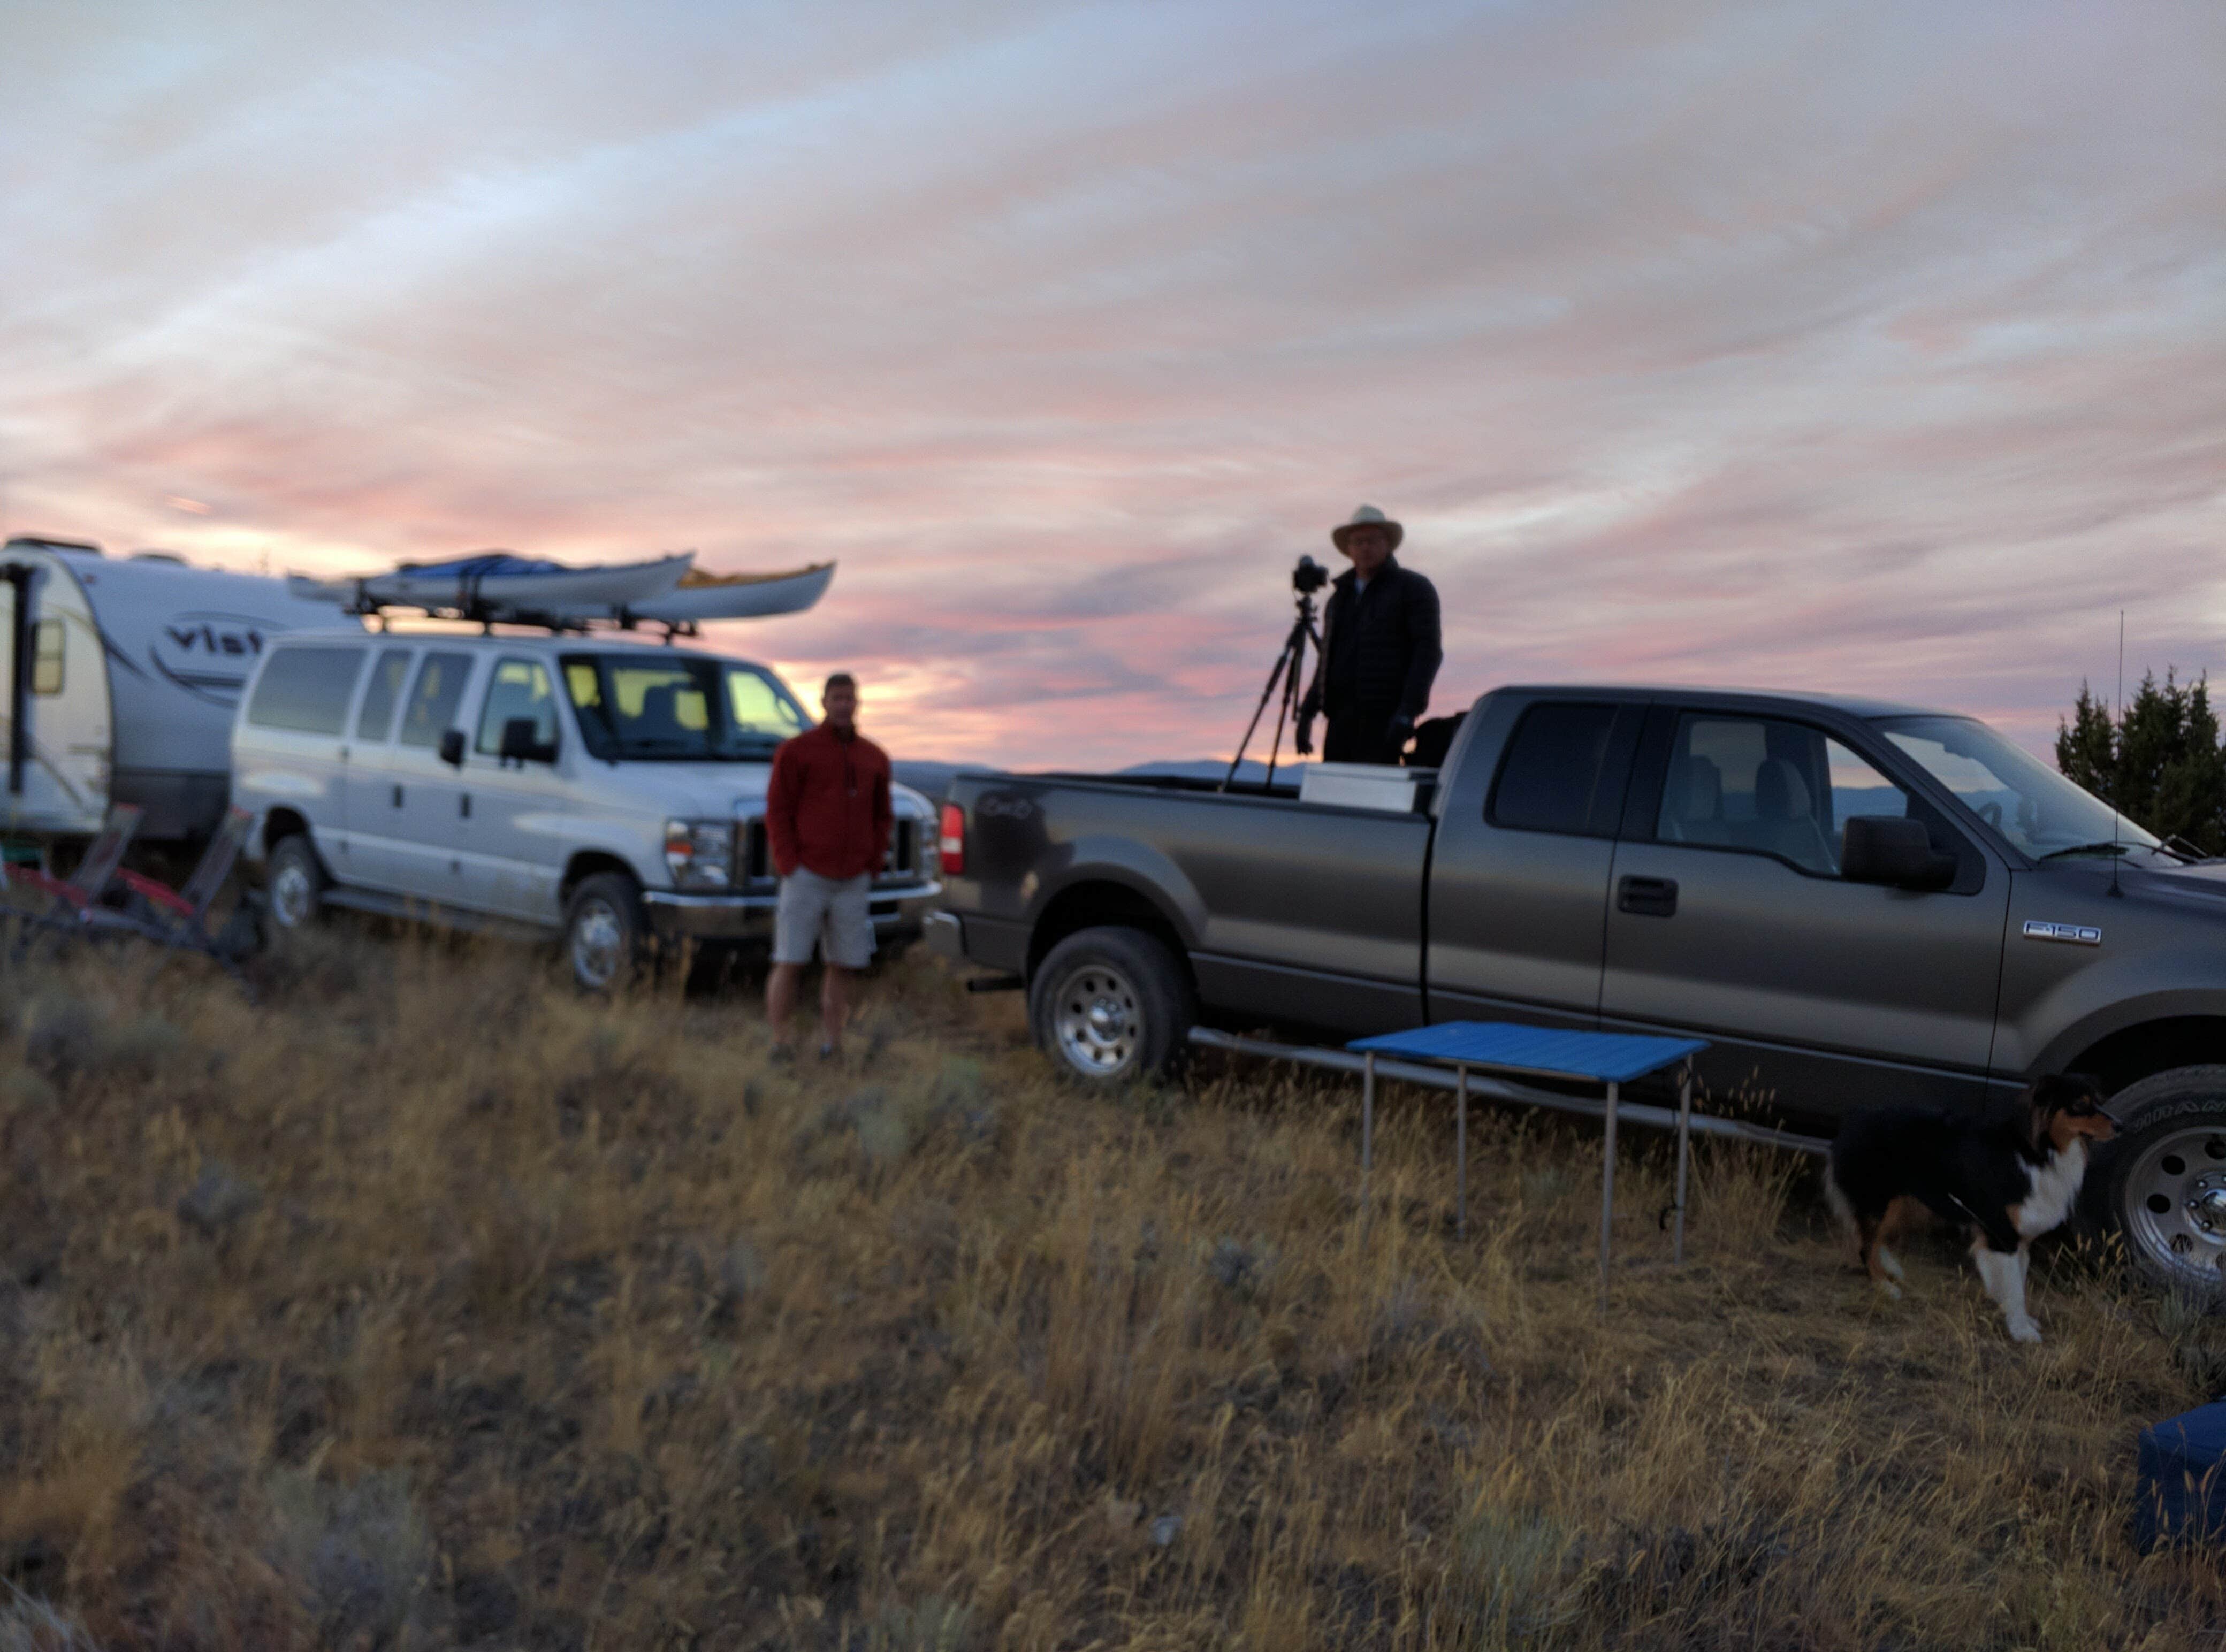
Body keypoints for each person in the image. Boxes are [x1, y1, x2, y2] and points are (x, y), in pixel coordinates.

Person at [764, 672, 892, 1060]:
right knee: (790, 960)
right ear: (823, 703)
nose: (843, 705)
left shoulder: (873, 757)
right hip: (806, 874)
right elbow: (778, 810)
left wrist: (873, 862)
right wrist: (788, 862)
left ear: (858, 703)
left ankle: (832, 1045)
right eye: (837, 698)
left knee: (843, 965)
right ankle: (781, 1042)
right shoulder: (797, 751)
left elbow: (882, 816)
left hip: (852, 879)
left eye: (849, 698)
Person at [1296, 504, 1443, 764]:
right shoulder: (1339, 599)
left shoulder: (1413, 589)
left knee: (1373, 795)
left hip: (1384, 719)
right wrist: (1308, 712)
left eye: (1373, 540)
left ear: (1388, 544)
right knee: (1334, 797)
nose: (1365, 547)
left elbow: (1428, 653)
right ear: (1349, 549)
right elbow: (1328, 660)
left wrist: (1408, 712)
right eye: (1358, 542)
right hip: (1340, 719)